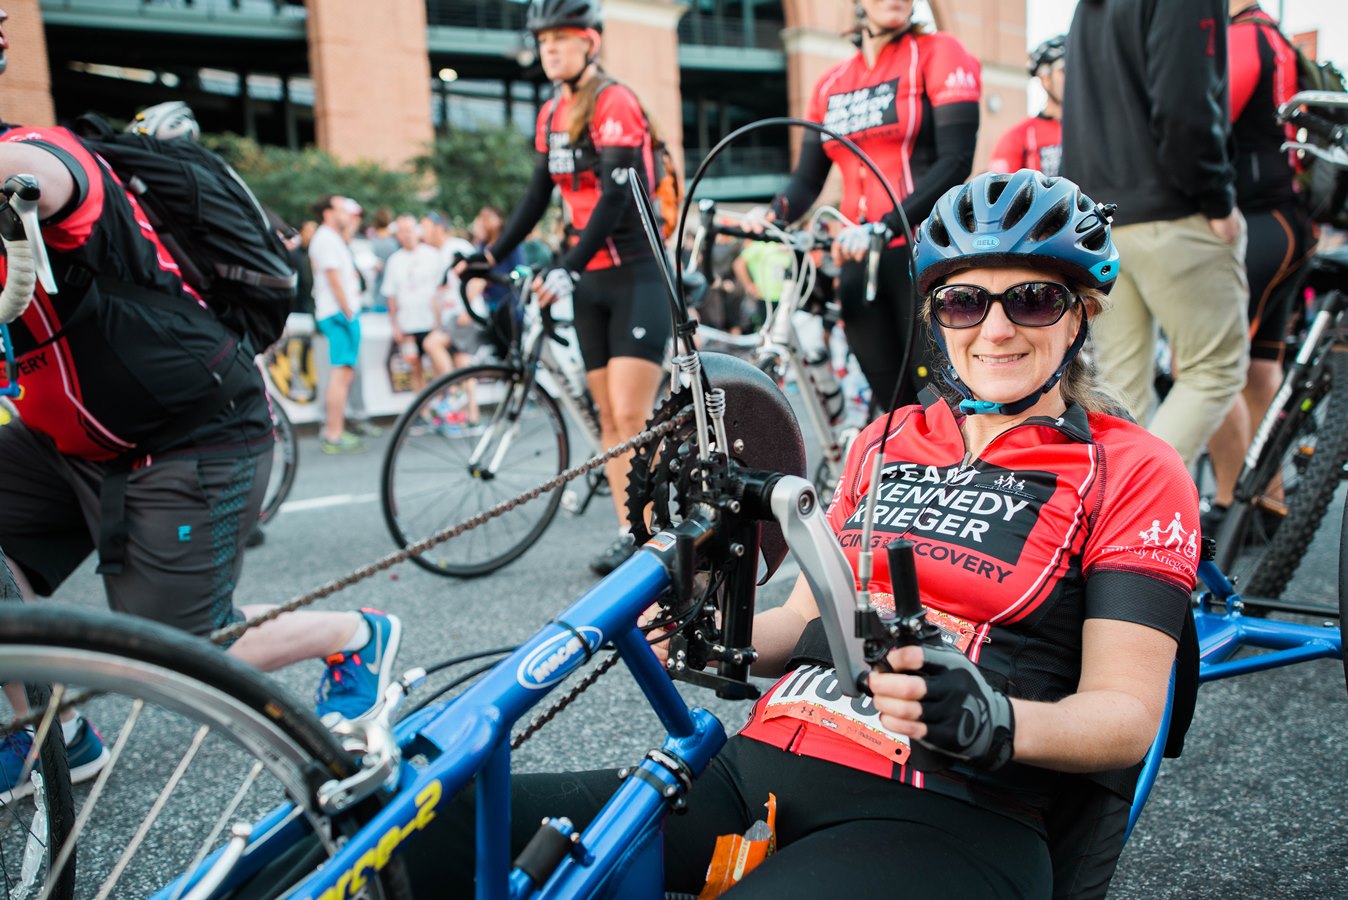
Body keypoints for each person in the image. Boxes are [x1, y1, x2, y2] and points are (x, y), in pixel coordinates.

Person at [415, 170, 1197, 899]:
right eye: (964, 303)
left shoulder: (1133, 466)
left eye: (1030, 300)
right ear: (937, 317)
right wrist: (700, 632)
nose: (994, 329)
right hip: (754, 770)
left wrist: (993, 718)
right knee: (424, 830)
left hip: (947, 814)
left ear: (1080, 315)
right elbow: (799, 621)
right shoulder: (887, 438)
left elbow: (1125, 719)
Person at [0, 80, 400, 803]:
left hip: (192, 434)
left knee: (178, 647)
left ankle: (355, 635)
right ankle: (53, 737)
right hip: (64, 441)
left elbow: (48, 175)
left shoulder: (40, 153)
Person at [456, 0, 672, 576]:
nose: (549, 48)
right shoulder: (552, 112)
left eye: (560, 38)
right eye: (543, 40)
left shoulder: (615, 101)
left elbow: (617, 195)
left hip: (636, 273)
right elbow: (535, 198)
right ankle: (631, 530)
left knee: (631, 413)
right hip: (589, 277)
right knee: (607, 416)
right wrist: (487, 256)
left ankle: (656, 532)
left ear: (589, 43)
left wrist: (567, 265)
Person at [751, 0, 981, 413]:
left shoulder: (938, 51)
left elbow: (956, 161)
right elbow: (807, 178)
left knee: (942, 401)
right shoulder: (831, 83)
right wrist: (773, 215)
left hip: (926, 253)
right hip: (857, 257)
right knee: (891, 404)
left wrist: (887, 225)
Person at [1061, 0, 1249, 468]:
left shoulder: (1089, 8)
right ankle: (1139, 495)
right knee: (1215, 370)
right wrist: (1217, 199)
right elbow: (1185, 109)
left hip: (1102, 220)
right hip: (1173, 209)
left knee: (1122, 386)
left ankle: (1113, 515)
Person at [1204, 2, 1315, 533]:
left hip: (1258, 219)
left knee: (1204, 367)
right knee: (1257, 367)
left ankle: (1230, 504)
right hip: (1287, 219)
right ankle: (1269, 502)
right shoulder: (1276, 37)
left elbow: (1209, 118)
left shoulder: (1246, 36)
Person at [310, 193, 367, 453]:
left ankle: (335, 430)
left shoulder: (332, 238)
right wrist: (348, 311)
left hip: (340, 312)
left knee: (343, 374)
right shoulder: (325, 239)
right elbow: (333, 279)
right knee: (340, 375)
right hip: (338, 313)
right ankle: (334, 433)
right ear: (328, 213)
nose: (346, 214)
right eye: (341, 209)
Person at [381, 214, 447, 395]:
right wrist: (395, 325)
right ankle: (422, 409)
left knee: (436, 366)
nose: (407, 235)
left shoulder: (432, 255)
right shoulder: (395, 261)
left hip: (430, 322)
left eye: (409, 230)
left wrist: (439, 320)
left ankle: (441, 405)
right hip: (408, 324)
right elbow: (391, 296)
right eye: (403, 232)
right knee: (414, 367)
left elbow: (441, 289)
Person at [987, 35, 1065, 177]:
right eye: (1064, 70)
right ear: (1045, 78)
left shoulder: (1097, 131)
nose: (1074, 76)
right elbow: (998, 193)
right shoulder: (1018, 137)